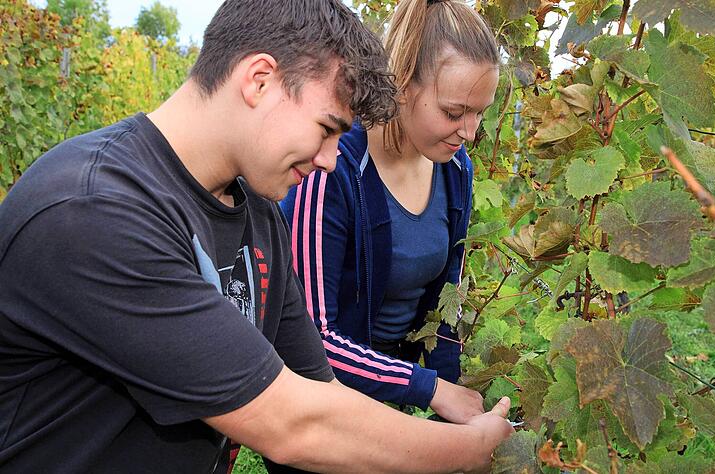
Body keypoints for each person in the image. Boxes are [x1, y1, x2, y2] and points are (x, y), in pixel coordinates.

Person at [0, 0, 513, 472]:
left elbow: (318, 390)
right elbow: (290, 423)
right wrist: (466, 448)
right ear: (260, 80)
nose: (332, 159)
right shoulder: (97, 212)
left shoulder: (257, 215)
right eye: (327, 128)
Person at [281, 0, 500, 423]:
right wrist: (429, 389)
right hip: (322, 399)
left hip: (398, 386)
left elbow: (445, 303)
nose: (469, 132)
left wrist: (449, 410)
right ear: (402, 85)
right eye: (454, 112)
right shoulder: (332, 171)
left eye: (480, 113)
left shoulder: (455, 169)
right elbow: (310, 339)